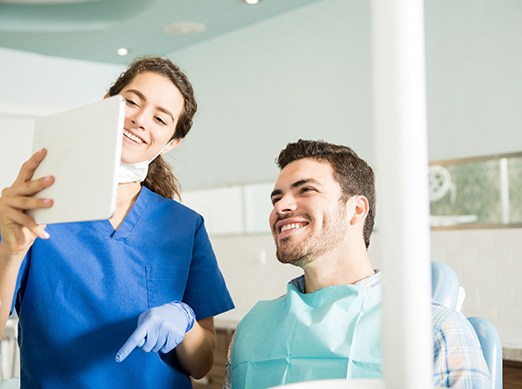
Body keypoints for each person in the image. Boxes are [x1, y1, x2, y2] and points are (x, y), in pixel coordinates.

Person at [0, 56, 234, 388]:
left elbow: (201, 363)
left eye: (159, 118)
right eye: (131, 102)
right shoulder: (35, 207)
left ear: (170, 143)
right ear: (107, 104)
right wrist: (11, 250)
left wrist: (186, 323)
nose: (140, 120)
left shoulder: (184, 226)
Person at [225, 139, 491, 388]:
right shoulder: (250, 332)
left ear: (357, 210)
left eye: (306, 189)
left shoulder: (435, 329)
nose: (281, 206)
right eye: (276, 198)